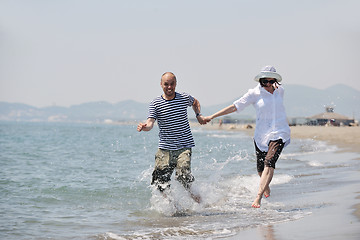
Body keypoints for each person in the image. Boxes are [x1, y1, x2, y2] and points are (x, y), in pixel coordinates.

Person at [203, 66, 291, 208]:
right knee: (260, 169)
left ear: (275, 81)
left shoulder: (280, 91)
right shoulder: (254, 93)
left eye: (270, 81)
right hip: (262, 134)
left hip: (280, 132)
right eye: (264, 82)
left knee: (269, 161)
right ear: (261, 81)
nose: (268, 85)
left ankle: (258, 197)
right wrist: (212, 116)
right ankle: (266, 185)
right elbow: (234, 106)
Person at [137, 72, 209, 203]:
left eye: (172, 84)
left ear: (176, 84)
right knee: (159, 182)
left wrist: (199, 115)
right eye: (166, 84)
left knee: (183, 176)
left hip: (184, 147)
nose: (169, 87)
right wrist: (145, 127)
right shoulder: (156, 103)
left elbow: (195, 102)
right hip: (164, 149)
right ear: (161, 84)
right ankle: (172, 208)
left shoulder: (183, 97)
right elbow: (150, 123)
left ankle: (201, 203)